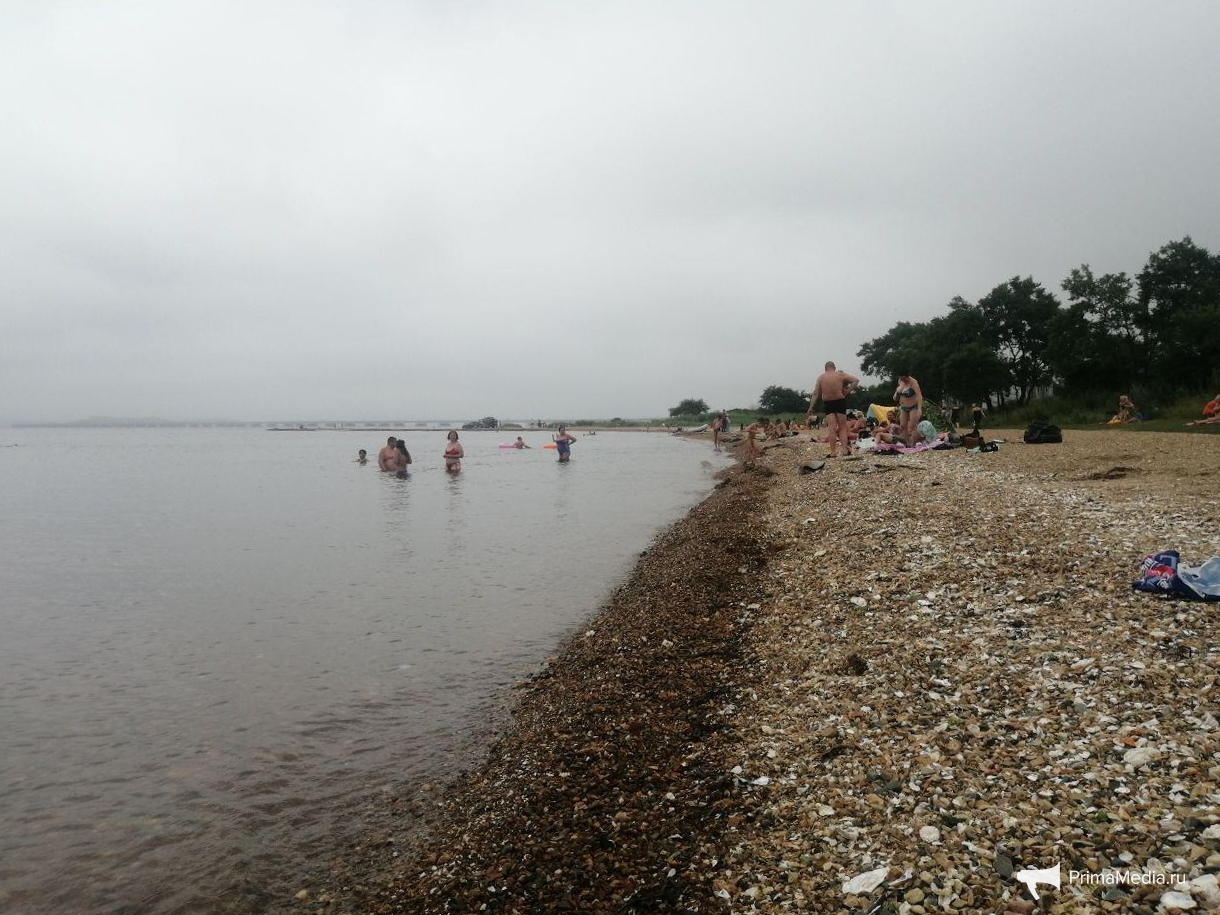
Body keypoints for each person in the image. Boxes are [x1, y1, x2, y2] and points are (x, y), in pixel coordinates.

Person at [807, 361, 860, 457]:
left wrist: (811, 407)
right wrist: (847, 391)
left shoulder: (821, 377)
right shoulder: (840, 375)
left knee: (831, 428)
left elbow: (815, 393)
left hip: (828, 403)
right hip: (840, 401)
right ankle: (844, 450)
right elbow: (856, 380)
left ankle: (833, 452)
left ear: (825, 368)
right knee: (842, 427)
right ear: (834, 367)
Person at [894, 373, 923, 444]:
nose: (902, 380)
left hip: (913, 407)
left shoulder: (913, 382)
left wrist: (919, 409)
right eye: (901, 378)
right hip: (903, 407)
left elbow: (919, 396)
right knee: (903, 426)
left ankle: (914, 442)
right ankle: (908, 443)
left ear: (906, 376)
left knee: (912, 426)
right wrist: (896, 393)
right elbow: (896, 395)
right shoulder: (900, 382)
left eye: (903, 378)